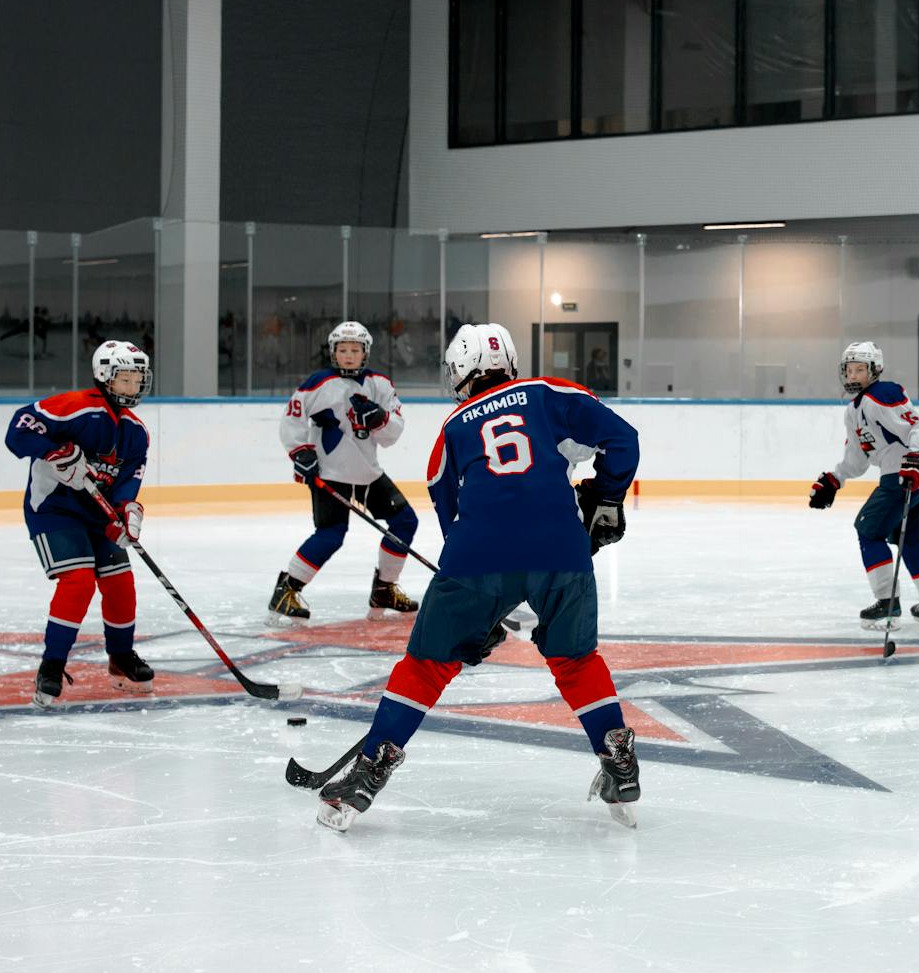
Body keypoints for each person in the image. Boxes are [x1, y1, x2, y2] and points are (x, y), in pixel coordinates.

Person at [315, 323, 641, 832]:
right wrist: (608, 496)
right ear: (508, 361)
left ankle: (367, 773)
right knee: (576, 660)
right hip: (563, 549)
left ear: (459, 372)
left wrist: (476, 617)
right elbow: (623, 439)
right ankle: (618, 759)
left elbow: (449, 514)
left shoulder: (452, 429)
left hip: (477, 556)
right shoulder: (551, 392)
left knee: (425, 667)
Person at [2, 340, 154, 708]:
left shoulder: (136, 431)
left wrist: (127, 513)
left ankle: (121, 659)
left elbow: (128, 482)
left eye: (138, 380)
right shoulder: (76, 407)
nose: (133, 388)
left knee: (120, 582)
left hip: (97, 515)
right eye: (126, 379)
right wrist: (53, 451)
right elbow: (18, 432)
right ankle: (51, 665)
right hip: (54, 510)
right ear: (104, 376)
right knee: (79, 580)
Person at [269, 321, 418, 623]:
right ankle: (286, 590)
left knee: (405, 521)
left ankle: (385, 589)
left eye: (355, 350)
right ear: (333, 352)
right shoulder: (317, 383)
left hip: (367, 474)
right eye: (342, 350)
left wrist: (378, 419)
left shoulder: (380, 385)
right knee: (331, 535)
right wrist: (302, 453)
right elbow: (292, 420)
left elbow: (393, 434)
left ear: (365, 353)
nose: (348, 355)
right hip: (329, 473)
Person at [808, 341, 919, 628]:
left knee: (868, 530)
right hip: (915, 469)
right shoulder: (854, 409)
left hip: (908, 471)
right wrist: (836, 478)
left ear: (874, 370)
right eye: (849, 370)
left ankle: (888, 603)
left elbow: (918, 427)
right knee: (908, 539)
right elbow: (858, 457)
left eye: (860, 369)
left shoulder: (882, 393)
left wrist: (915, 457)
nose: (853, 376)